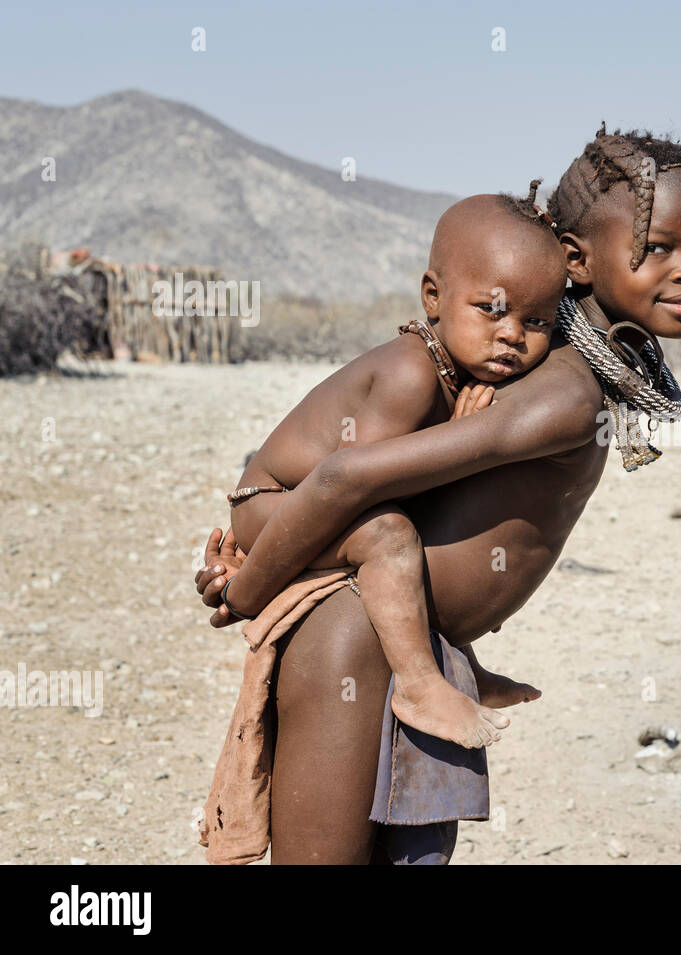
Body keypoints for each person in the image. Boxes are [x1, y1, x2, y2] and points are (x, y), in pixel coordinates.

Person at [196, 127, 681, 864]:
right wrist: (246, 592)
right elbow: (349, 476)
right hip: (358, 645)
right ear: (577, 257)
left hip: (409, 648)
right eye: (660, 246)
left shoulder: (542, 364)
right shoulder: (564, 391)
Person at [225, 185, 561, 750]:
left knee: (415, 545)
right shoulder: (412, 374)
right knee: (389, 536)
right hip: (273, 502)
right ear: (433, 296)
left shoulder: (461, 373)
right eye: (491, 309)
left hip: (314, 500)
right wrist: (247, 589)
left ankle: (460, 664)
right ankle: (421, 685)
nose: (512, 334)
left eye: (539, 322)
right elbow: (358, 492)